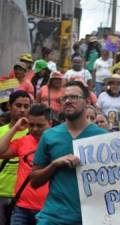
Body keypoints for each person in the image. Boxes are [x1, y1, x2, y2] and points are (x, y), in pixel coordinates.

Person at [31, 81, 107, 225]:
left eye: (74, 97)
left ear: (87, 101)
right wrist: (54, 165)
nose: (68, 101)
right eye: (64, 98)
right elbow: (34, 181)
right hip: (53, 218)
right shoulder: (49, 136)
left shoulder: (102, 136)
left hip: (93, 218)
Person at [0, 104, 51, 225]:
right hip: (21, 209)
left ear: (50, 123)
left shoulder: (58, 143)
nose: (34, 129)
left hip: (48, 210)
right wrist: (15, 128)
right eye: (31, 125)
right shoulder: (24, 141)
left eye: (40, 125)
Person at [0, 91, 31, 225]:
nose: (22, 110)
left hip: (23, 196)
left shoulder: (35, 132)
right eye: (18, 105)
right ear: (9, 106)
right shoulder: (1, 131)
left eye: (26, 106)